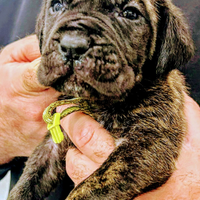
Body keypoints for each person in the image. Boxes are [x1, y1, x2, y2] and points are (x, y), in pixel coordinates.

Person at [0, 1, 199, 200]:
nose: (74, 41)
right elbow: (52, 149)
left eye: (129, 14)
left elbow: (148, 153)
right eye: (59, 4)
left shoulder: (153, 99)